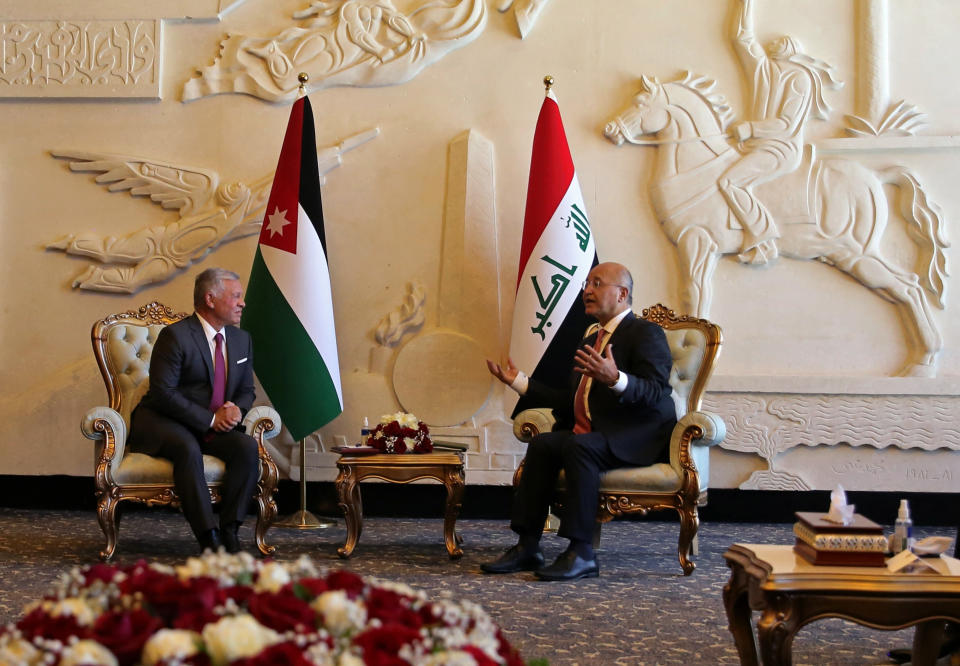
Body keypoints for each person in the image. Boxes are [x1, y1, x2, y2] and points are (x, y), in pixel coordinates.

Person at [482, 262, 676, 581]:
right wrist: (520, 383)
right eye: (587, 283)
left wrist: (616, 379)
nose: (587, 290)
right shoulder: (590, 338)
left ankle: (581, 552)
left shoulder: (645, 332)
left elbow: (657, 391)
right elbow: (571, 400)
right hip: (597, 434)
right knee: (544, 444)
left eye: (597, 283)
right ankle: (528, 546)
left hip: (637, 435)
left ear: (622, 293)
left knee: (579, 446)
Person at [128, 267, 259, 553]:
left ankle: (230, 530)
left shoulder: (241, 339)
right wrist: (212, 418)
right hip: (163, 420)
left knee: (247, 447)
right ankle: (207, 537)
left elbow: (247, 390)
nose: (242, 302)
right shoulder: (176, 336)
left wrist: (236, 410)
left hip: (211, 425)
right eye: (236, 296)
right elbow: (163, 394)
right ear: (210, 299)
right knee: (186, 448)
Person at [718, 0, 840, 265]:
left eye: (781, 43)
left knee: (730, 182)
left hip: (780, 150)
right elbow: (742, 37)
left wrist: (750, 128)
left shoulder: (800, 79)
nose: (774, 43)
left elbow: (786, 124)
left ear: (792, 51)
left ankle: (764, 243)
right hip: (755, 148)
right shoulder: (765, 70)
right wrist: (744, 4)